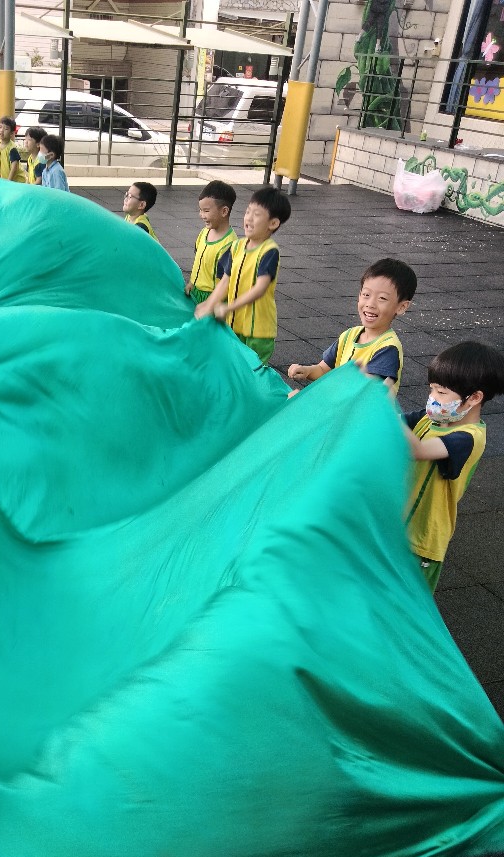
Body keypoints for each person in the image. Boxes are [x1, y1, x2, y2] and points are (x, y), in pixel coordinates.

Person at [402, 341, 504, 592]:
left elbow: (418, 450)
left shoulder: (469, 437)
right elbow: (396, 422)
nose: (432, 398)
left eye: (441, 392)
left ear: (475, 397)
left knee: (406, 602)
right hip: (399, 524)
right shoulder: (430, 418)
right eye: (431, 389)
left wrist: (381, 406)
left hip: (422, 538)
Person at [288, 259, 417, 395]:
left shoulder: (388, 349)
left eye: (382, 298)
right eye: (366, 295)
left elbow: (364, 394)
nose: (370, 304)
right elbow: (323, 370)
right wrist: (307, 371)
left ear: (401, 307)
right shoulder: (349, 335)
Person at [195, 186, 292, 367]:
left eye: (256, 214)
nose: (248, 218)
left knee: (253, 372)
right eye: (248, 211)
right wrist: (209, 304)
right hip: (235, 325)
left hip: (258, 331)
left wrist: (229, 307)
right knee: (234, 367)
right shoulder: (237, 247)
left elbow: (260, 288)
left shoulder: (269, 251)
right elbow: (225, 281)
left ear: (273, 223)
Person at [184, 180, 237, 305]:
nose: (201, 215)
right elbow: (198, 262)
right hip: (196, 293)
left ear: (224, 211)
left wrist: (213, 303)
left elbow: (227, 280)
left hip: (213, 299)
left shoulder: (230, 244)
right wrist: (192, 282)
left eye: (206, 211)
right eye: (200, 210)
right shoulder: (204, 233)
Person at [0, 116, 26, 182]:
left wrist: (9, 181)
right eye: (0, 127)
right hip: (6, 180)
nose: (2, 130)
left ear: (12, 133)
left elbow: (14, 167)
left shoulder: (12, 148)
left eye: (6, 129)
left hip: (16, 181)